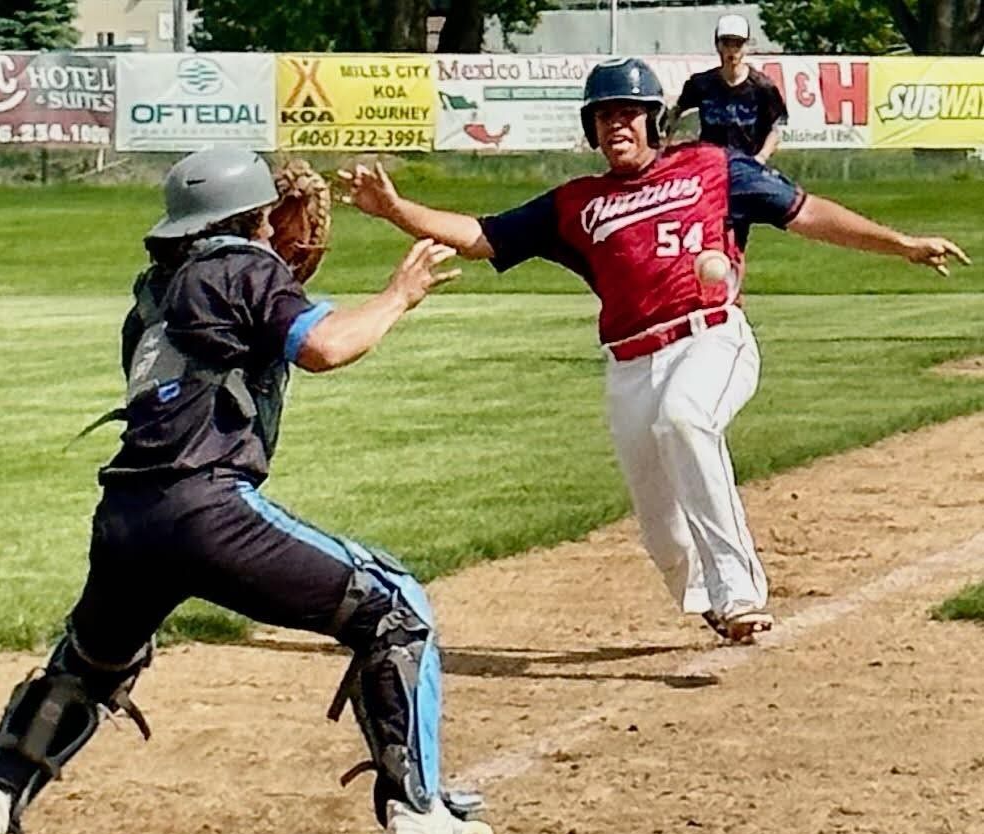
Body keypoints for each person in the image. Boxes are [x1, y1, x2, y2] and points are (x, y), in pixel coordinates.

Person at [0, 148, 494, 834]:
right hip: (209, 509)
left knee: (89, 663)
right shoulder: (244, 265)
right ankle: (418, 813)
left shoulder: (151, 295)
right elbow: (325, 347)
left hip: (125, 518)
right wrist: (399, 295)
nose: (276, 230)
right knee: (395, 606)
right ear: (249, 219)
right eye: (267, 216)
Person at [340, 58, 970, 644]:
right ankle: (708, 600)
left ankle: (741, 592)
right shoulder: (576, 203)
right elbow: (483, 235)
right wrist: (397, 210)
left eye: (628, 111)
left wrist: (902, 244)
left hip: (711, 338)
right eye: (604, 115)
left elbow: (807, 213)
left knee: (686, 418)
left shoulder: (713, 168)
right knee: (662, 533)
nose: (617, 123)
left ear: (654, 120)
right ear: (591, 129)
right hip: (628, 365)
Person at [672, 14, 787, 165]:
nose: (732, 50)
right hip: (709, 165)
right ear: (717, 45)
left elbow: (774, 130)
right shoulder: (699, 84)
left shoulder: (763, 88)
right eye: (726, 43)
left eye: (738, 44)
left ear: (746, 46)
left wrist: (761, 157)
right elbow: (677, 117)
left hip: (748, 166)